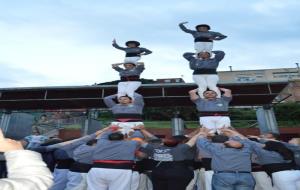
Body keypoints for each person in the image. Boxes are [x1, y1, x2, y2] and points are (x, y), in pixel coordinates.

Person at [138, 126, 200, 190]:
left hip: (158, 173)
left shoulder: (156, 149)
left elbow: (152, 139)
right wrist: (199, 133)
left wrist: (143, 130)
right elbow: (191, 141)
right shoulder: (181, 148)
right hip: (178, 173)